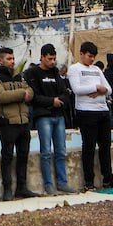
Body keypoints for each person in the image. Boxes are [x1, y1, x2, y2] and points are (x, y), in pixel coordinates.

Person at [23, 44, 76, 195]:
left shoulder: (56, 73)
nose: (53, 62)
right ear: (42, 57)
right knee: (46, 152)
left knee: (61, 151)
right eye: (50, 59)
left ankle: (62, 182)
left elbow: (65, 92)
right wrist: (51, 101)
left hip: (58, 116)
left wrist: (59, 100)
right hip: (43, 117)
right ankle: (48, 184)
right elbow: (35, 97)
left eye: (54, 59)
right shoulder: (33, 73)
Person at [68, 41, 113, 190]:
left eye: (93, 57)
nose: (91, 59)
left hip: (102, 110)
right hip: (86, 111)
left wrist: (102, 90)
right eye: (89, 56)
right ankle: (89, 181)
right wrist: (96, 87)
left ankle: (108, 178)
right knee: (89, 147)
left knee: (105, 146)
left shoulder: (96, 69)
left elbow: (109, 89)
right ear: (81, 54)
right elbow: (77, 89)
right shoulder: (75, 69)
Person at [0, 47, 37, 200]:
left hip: (23, 121)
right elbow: (1, 96)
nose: (12, 62)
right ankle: (7, 189)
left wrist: (25, 93)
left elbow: (31, 91)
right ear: (0, 60)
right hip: (7, 122)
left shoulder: (18, 76)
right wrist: (22, 93)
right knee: (7, 157)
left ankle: (22, 188)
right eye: (9, 59)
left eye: (13, 58)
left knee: (23, 155)